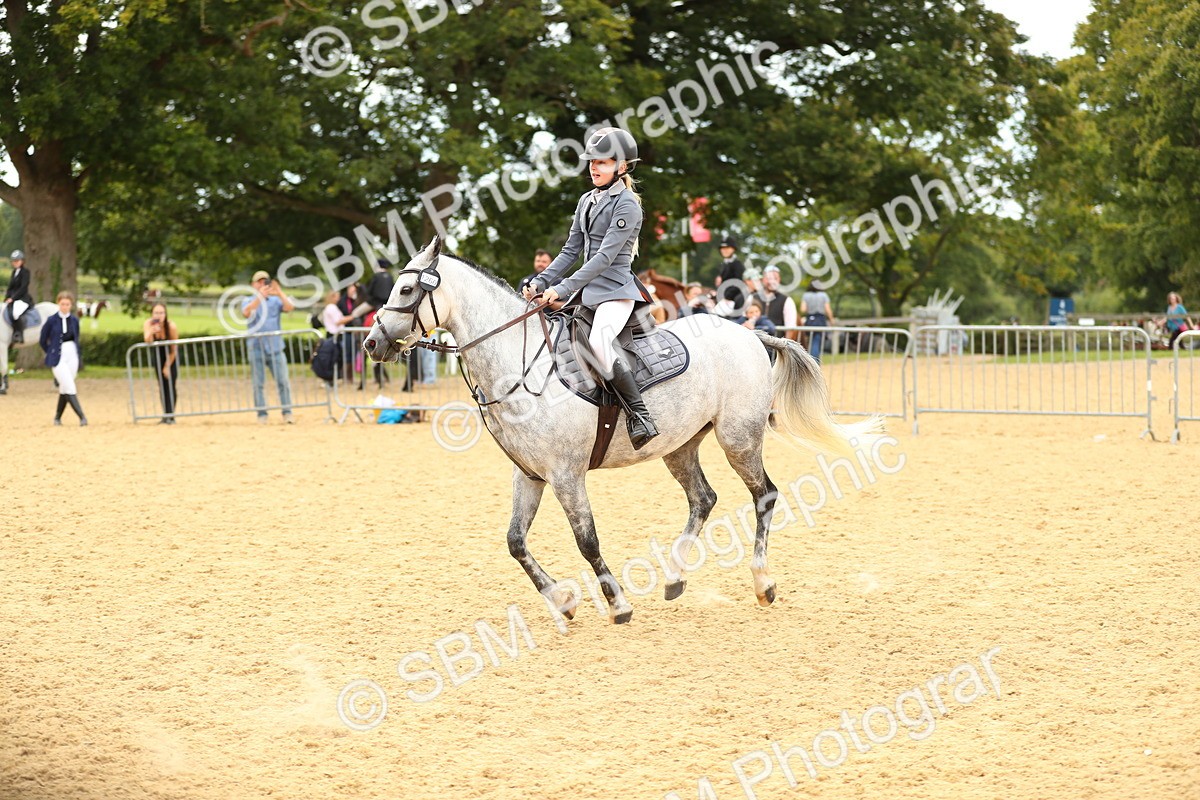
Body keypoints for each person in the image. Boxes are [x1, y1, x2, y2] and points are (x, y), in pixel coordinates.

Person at [522, 126, 658, 449]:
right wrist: (540, 281)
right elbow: (570, 251)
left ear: (621, 167)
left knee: (598, 341)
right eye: (592, 162)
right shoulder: (586, 201)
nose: (594, 168)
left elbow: (604, 258)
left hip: (615, 292)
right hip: (586, 293)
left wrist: (564, 288)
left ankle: (640, 415)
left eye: (604, 162)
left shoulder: (627, 205)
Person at [241, 270, 295, 424]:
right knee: (258, 383)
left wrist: (279, 292)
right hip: (256, 347)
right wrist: (259, 297)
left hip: (276, 347)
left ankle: (287, 412)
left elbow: (290, 307)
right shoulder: (248, 300)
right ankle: (262, 414)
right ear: (253, 284)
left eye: (265, 281)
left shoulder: (275, 301)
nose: (262, 284)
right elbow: (246, 312)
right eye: (259, 282)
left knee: (283, 381)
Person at [40, 291, 86, 426]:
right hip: (58, 355)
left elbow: (77, 336)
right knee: (70, 386)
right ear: (58, 304)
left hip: (72, 353)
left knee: (65, 387)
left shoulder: (74, 320)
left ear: (71, 305)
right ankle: (82, 416)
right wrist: (50, 352)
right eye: (62, 304)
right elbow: (43, 339)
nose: (65, 307)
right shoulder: (51, 320)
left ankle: (57, 417)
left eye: (67, 304)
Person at [143, 302, 179, 424]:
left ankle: (171, 415)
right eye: (156, 313)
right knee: (162, 386)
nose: (159, 315)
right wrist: (152, 332)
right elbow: (147, 340)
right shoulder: (148, 324)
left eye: (161, 313)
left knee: (170, 385)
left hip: (170, 357)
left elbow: (174, 349)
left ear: (165, 314)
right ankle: (165, 415)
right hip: (157, 357)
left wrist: (167, 366)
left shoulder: (171, 326)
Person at [755, 265, 799, 339]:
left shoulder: (787, 300)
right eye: (769, 278)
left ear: (779, 280)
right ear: (763, 279)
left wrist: (784, 349)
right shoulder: (753, 298)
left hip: (775, 346)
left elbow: (790, 329)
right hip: (754, 344)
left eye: (775, 278)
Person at [800, 281, 835, 362]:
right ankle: (814, 362)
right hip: (820, 319)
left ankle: (811, 361)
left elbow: (803, 309)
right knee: (817, 341)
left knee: (811, 340)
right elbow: (827, 309)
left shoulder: (806, 295)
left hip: (810, 320)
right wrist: (831, 319)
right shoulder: (823, 295)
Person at [4, 250, 33, 343]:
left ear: (22, 261)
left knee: (15, 313)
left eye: (17, 261)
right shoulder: (14, 272)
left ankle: (18, 334)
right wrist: (6, 298)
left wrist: (12, 298)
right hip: (13, 299)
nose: (15, 263)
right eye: (14, 261)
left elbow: (23, 288)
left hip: (22, 299)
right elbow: (10, 287)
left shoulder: (26, 272)